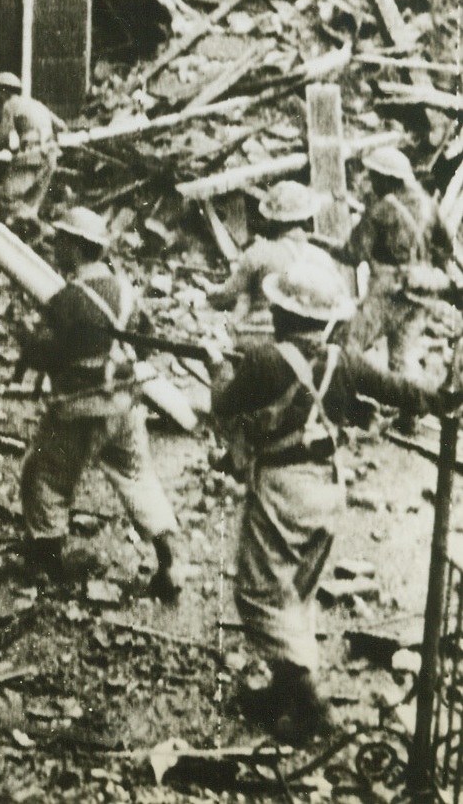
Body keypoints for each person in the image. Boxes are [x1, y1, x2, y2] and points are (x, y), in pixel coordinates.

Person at [210, 261, 441, 744]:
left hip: (283, 489)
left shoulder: (263, 360)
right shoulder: (346, 359)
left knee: (257, 596)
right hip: (328, 488)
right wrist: (445, 397)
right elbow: (403, 390)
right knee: (297, 593)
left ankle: (311, 701)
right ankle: (281, 693)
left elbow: (223, 407)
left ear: (280, 314)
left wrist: (217, 369)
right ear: (326, 321)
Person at [15, 206, 184, 603]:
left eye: (61, 242)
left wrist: (25, 337)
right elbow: (146, 336)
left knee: (46, 480)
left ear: (75, 248)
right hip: (125, 406)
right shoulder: (125, 290)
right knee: (137, 477)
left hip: (79, 410)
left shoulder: (67, 300)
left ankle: (48, 563)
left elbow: (46, 356)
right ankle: (168, 559)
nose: (56, 249)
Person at [346, 146, 453, 379]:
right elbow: (445, 248)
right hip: (423, 291)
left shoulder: (380, 210)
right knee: (400, 358)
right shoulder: (428, 204)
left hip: (390, 291)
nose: (371, 182)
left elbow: (353, 253)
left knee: (349, 344)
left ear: (386, 179)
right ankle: (410, 411)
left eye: (374, 176)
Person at [205, 181, 344, 346]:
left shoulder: (259, 252)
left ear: (270, 219)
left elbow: (224, 296)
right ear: (307, 217)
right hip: (306, 342)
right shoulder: (323, 258)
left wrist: (208, 289)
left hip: (257, 339)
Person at [0, 71, 61, 229]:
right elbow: (61, 126)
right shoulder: (36, 104)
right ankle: (30, 235)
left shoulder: (9, 104)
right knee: (30, 204)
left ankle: (41, 229)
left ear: (3, 91)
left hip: (33, 155)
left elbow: (2, 137)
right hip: (50, 154)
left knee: (6, 197)